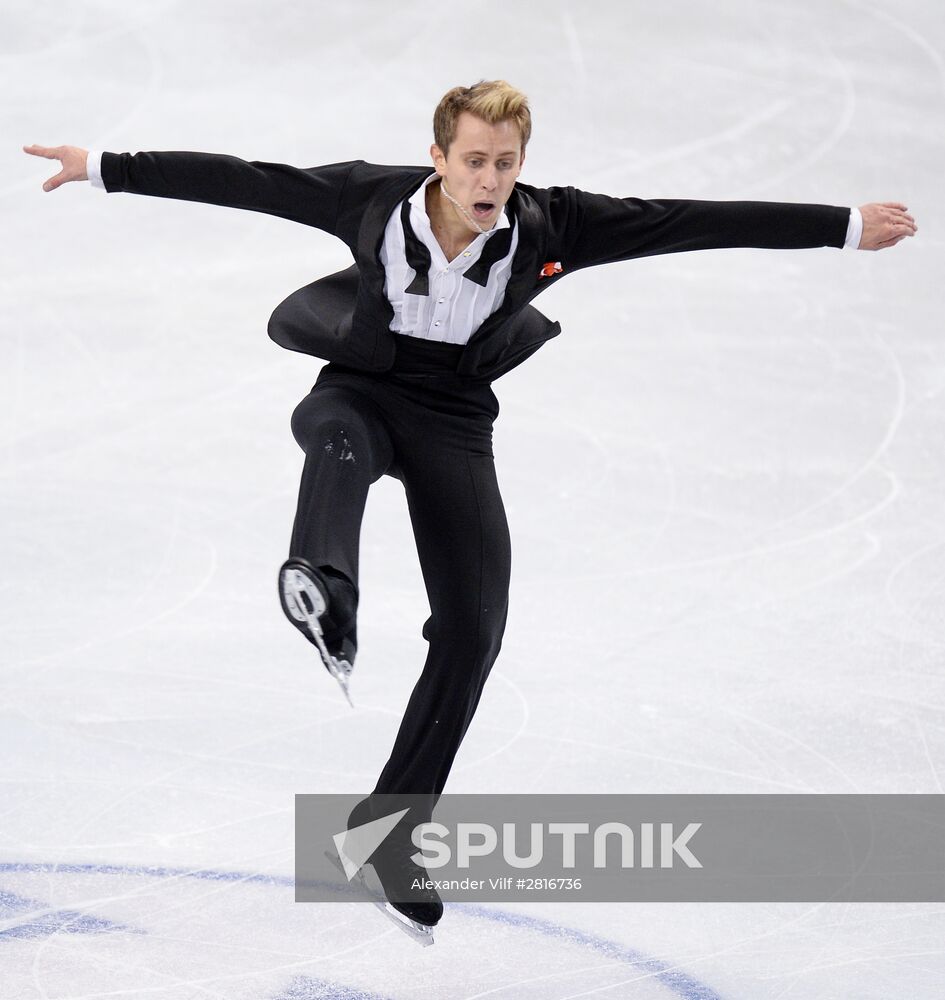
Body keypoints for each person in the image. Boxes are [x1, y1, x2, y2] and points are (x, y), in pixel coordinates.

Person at [23, 79, 917, 942]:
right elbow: (247, 182)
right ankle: (321, 582)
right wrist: (103, 163)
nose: (492, 180)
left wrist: (840, 228)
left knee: (473, 628)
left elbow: (687, 222)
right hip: (363, 391)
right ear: (438, 160)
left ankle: (387, 833)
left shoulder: (552, 223)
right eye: (477, 161)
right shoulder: (370, 199)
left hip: (455, 419)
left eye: (507, 163)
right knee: (334, 441)